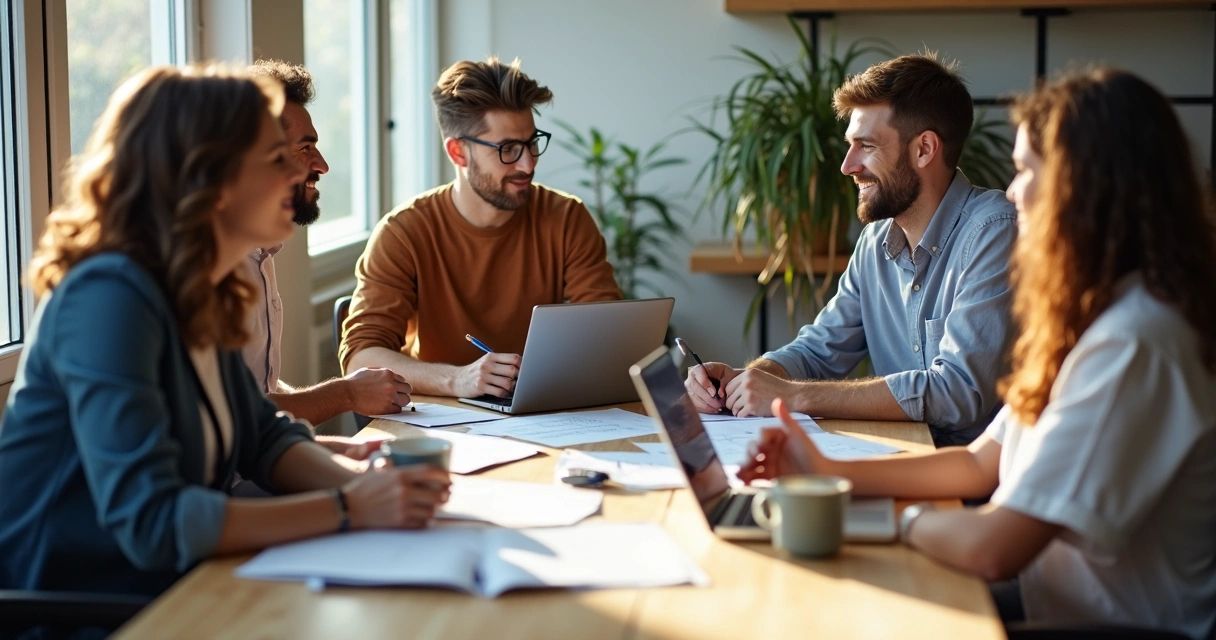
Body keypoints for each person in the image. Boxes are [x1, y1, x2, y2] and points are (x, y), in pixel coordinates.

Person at [739, 69, 1216, 637]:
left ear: (1085, 185)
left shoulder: (1135, 342)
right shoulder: (1096, 321)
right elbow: (976, 463)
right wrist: (824, 471)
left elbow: (994, 548)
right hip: (1056, 600)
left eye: (1026, 171)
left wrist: (902, 522)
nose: (1014, 192)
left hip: (1111, 626)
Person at [0, 66, 450, 598]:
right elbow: (153, 520)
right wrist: (350, 506)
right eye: (273, 158)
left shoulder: (203, 289)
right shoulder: (108, 297)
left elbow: (263, 436)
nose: (298, 172)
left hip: (183, 585)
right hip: (84, 610)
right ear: (206, 177)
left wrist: (371, 488)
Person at [686, 54, 1017, 446]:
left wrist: (794, 396)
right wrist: (746, 381)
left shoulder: (993, 232)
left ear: (924, 149)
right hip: (899, 457)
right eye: (850, 145)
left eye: (866, 146)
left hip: (976, 484)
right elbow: (818, 350)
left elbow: (958, 393)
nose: (847, 166)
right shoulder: (875, 242)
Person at [339, 56, 622, 399]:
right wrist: (458, 379)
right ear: (458, 152)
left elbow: (609, 334)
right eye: (507, 149)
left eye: (532, 142)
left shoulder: (565, 218)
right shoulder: (404, 233)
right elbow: (360, 359)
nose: (528, 163)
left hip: (542, 412)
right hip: (441, 418)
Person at [243, 60, 411, 436]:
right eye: (305, 148)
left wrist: (345, 452)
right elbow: (239, 417)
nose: (322, 165)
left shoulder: (259, 255)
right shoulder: (207, 267)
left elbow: (254, 395)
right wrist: (346, 394)